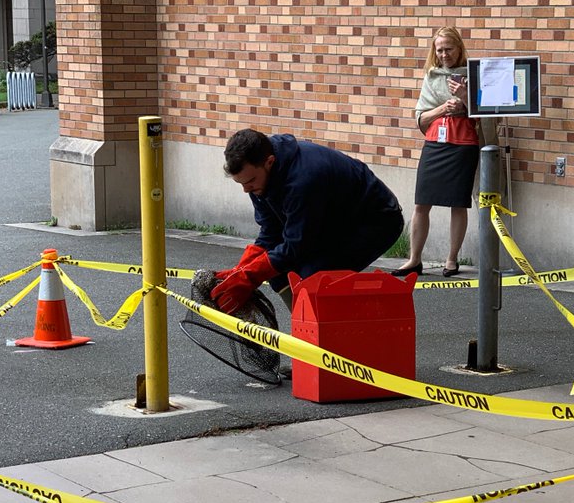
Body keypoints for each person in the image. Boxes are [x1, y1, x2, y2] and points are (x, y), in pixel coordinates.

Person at [212, 128, 404, 314]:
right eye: (241, 183)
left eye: (250, 181)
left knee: (312, 276)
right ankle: (307, 327)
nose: (246, 190)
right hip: (331, 220)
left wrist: (251, 275)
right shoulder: (257, 180)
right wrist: (241, 270)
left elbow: (296, 246)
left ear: (269, 162)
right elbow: (271, 231)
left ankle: (336, 334)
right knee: (279, 274)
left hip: (375, 220)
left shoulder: (303, 180)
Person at [394, 27, 496, 279]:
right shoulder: (431, 76)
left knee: (457, 204)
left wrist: (464, 96)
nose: (443, 55)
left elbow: (488, 116)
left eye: (448, 49)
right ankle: (414, 259)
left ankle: (452, 260)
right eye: (439, 50)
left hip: (464, 144)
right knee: (421, 202)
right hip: (435, 143)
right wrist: (443, 108)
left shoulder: (473, 75)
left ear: (459, 48)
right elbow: (421, 118)